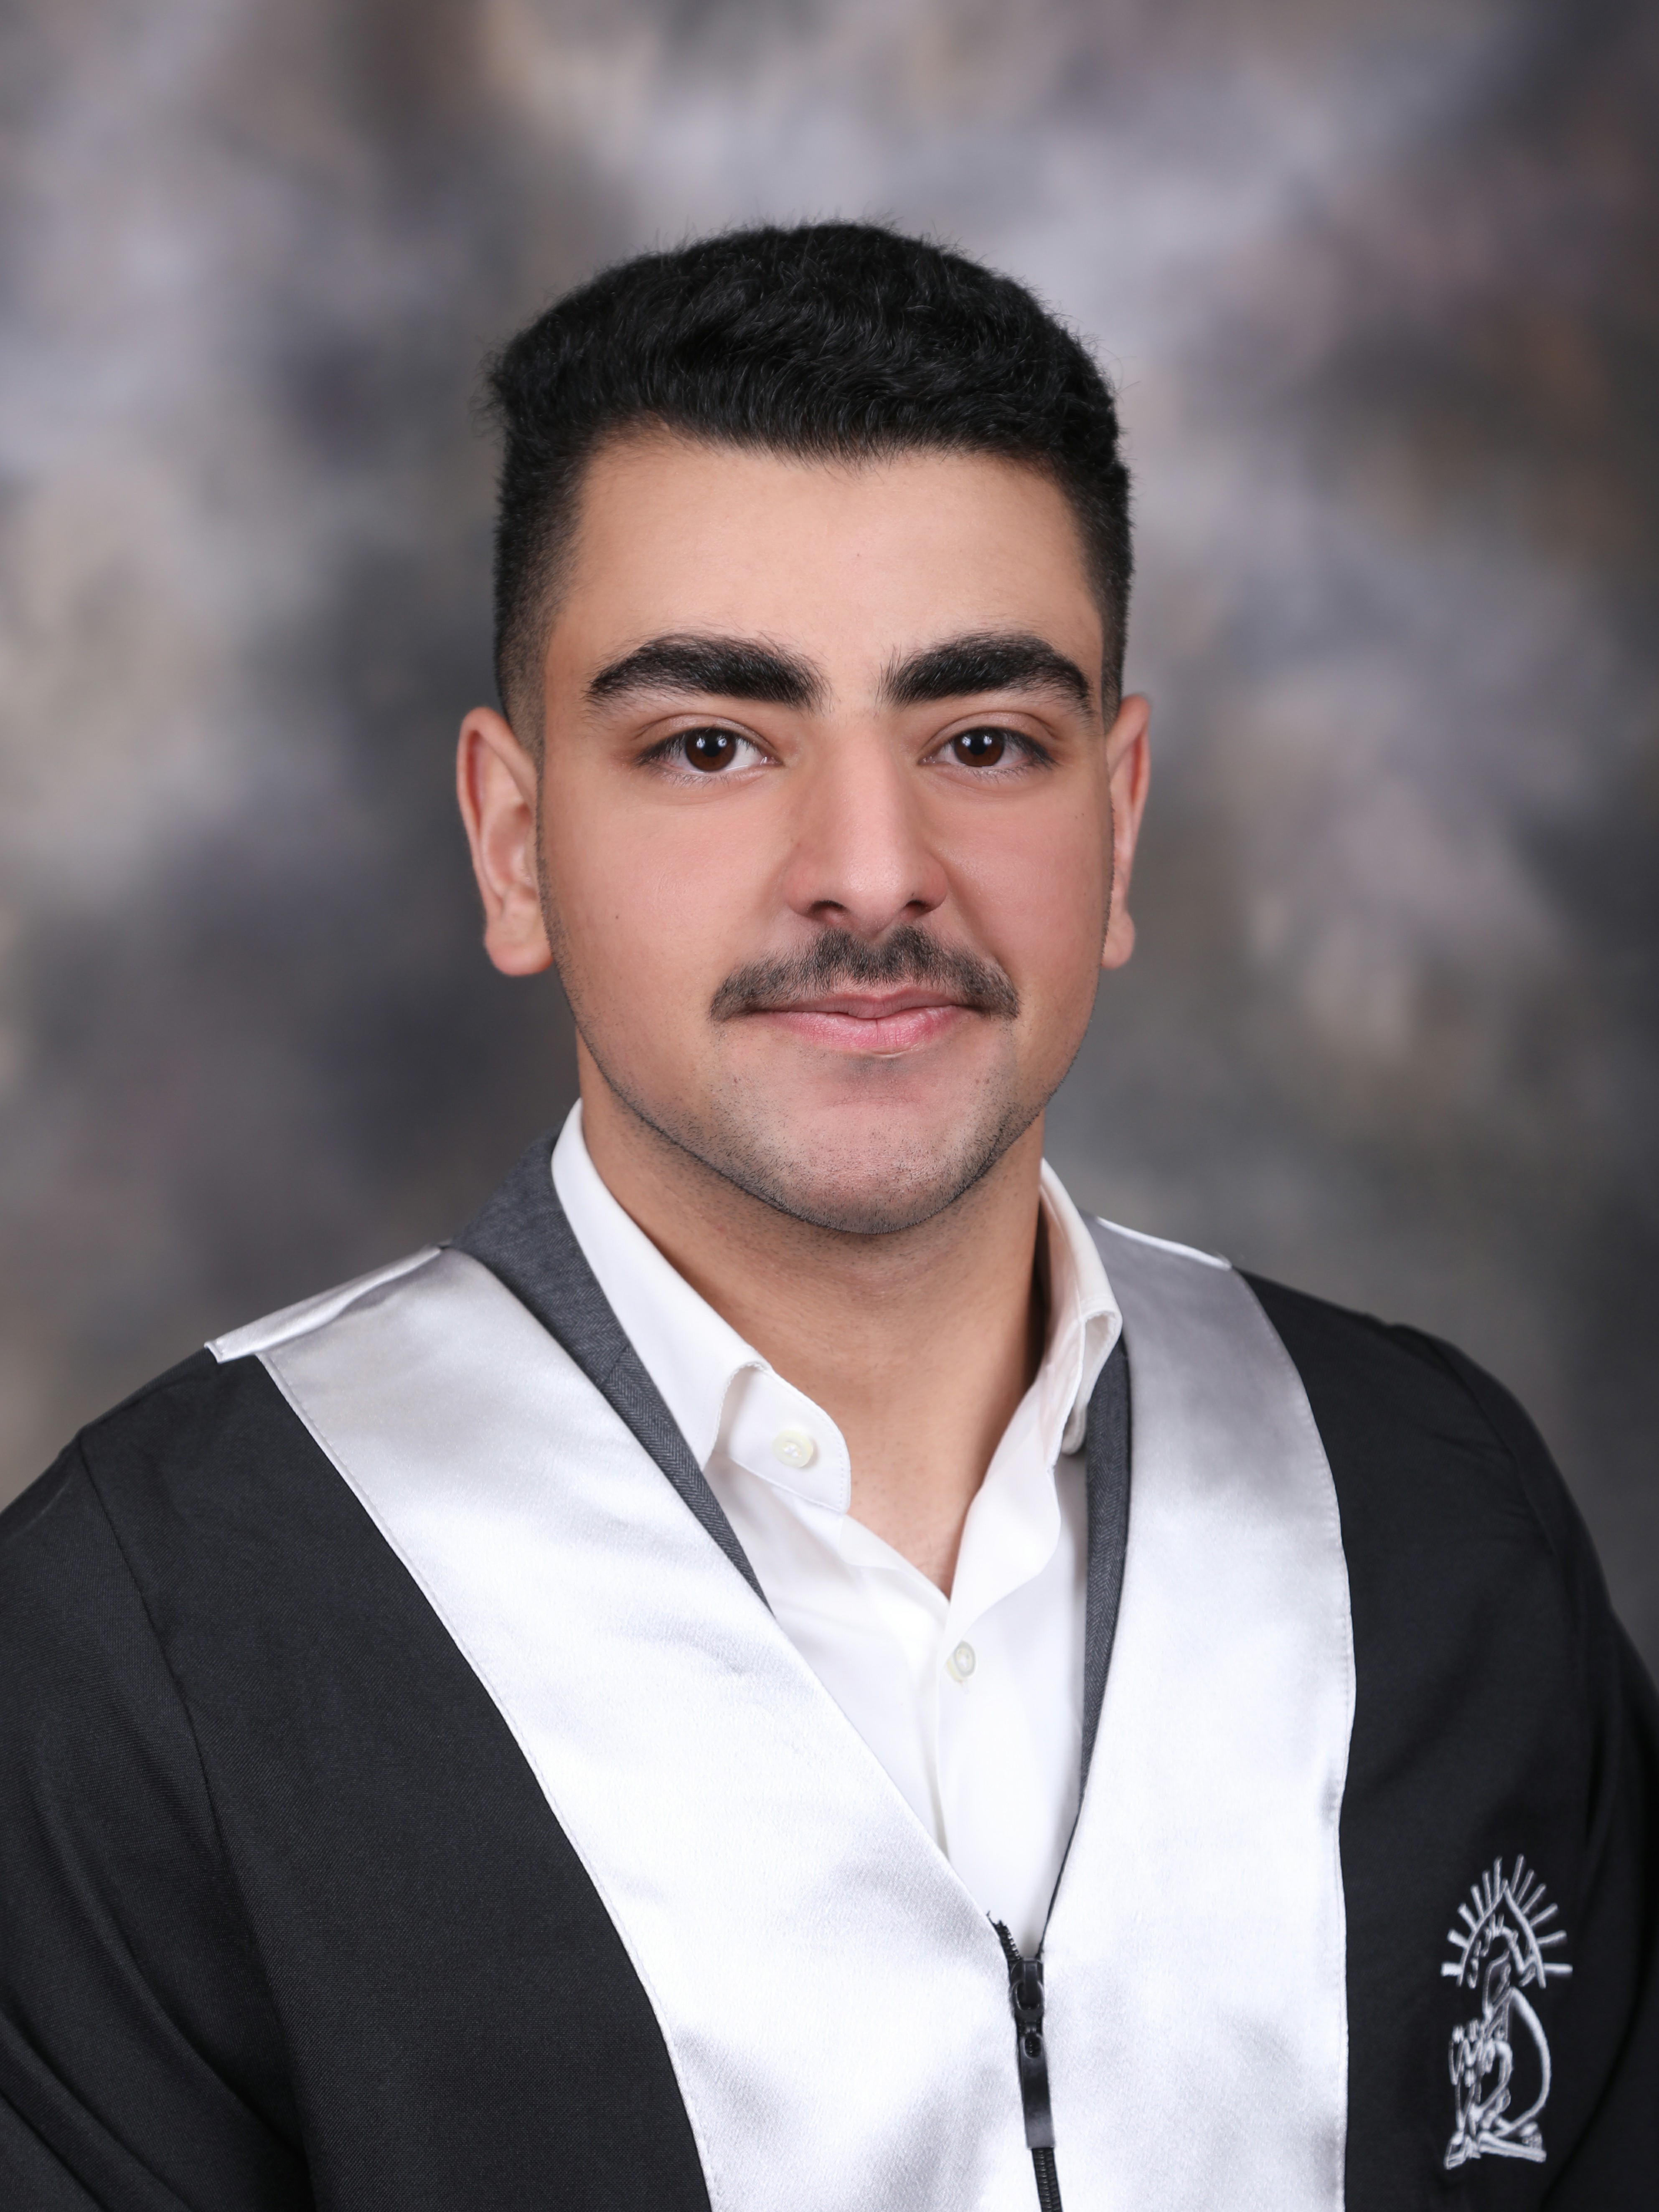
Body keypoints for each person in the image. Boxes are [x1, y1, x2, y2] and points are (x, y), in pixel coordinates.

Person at [0, 222, 1652, 2212]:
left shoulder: (1433, 1522)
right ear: (517, 847)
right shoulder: (154, 1643)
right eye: (712, 745)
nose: (871, 872)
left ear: (1119, 817)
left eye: (984, 741)